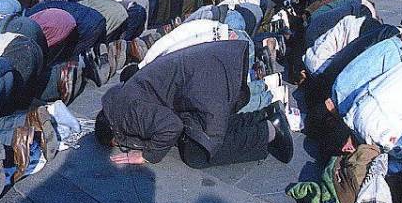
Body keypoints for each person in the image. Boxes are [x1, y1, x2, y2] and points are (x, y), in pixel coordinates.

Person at [96, 39, 293, 169]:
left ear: (115, 132)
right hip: (209, 70)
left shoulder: (127, 116)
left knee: (198, 152)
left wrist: (148, 155)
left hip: (205, 83)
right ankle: (263, 116)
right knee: (204, 129)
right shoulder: (117, 98)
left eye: (118, 143)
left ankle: (269, 131)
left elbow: (171, 126)